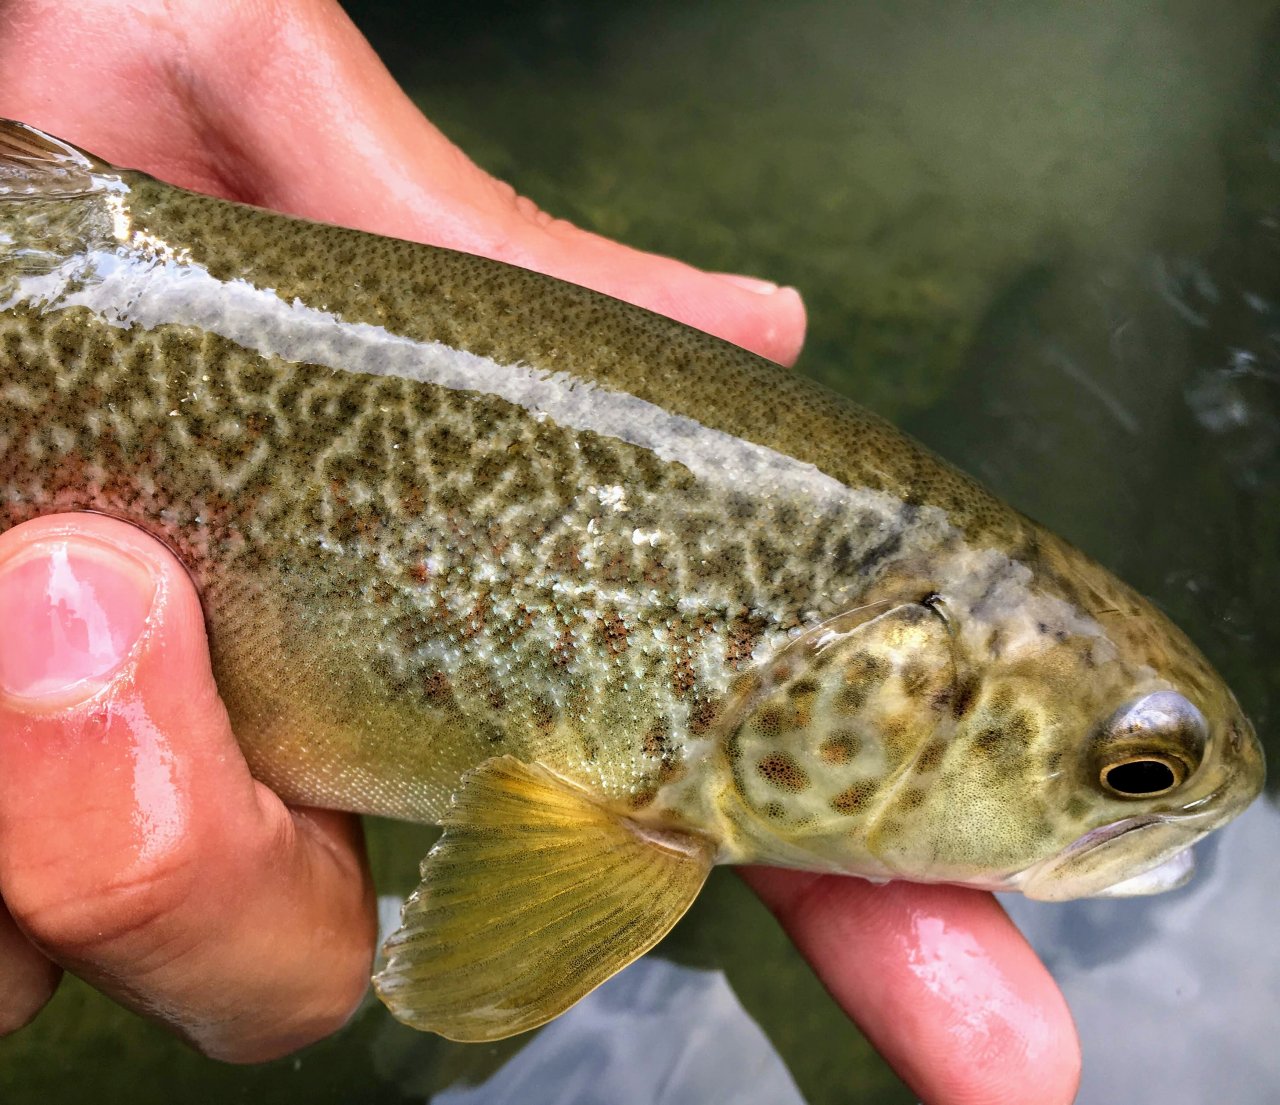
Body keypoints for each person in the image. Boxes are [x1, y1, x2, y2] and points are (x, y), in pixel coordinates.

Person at [0, 1, 1080, 1100]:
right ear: (903, 687)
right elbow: (478, 976)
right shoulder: (647, 832)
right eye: (1131, 774)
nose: (1132, 800)